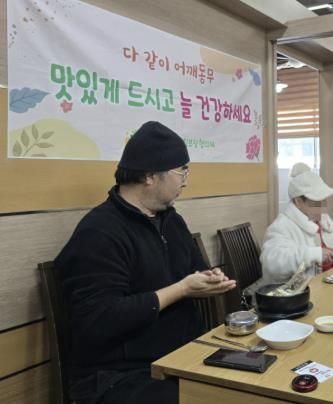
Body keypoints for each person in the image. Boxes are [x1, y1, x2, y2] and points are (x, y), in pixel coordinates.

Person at [55, 121, 236, 404]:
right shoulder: (99, 232)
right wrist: (182, 289)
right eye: (181, 171)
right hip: (120, 375)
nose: (185, 181)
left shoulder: (171, 220)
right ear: (151, 175)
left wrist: (210, 278)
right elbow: (98, 318)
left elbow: (195, 270)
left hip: (181, 355)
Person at [261, 162, 333, 283]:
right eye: (316, 203)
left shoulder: (320, 218)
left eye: (323, 201)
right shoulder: (281, 227)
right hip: (302, 290)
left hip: (329, 281)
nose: (322, 207)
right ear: (298, 201)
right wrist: (313, 254)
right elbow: (272, 263)